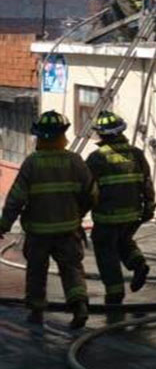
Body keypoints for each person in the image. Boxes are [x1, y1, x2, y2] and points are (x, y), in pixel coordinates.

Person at [0, 111, 97, 328]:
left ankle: (36, 311)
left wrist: (3, 225)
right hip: (68, 230)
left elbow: (16, 199)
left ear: (40, 136)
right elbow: (92, 194)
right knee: (71, 269)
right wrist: (77, 214)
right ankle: (79, 305)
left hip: (38, 232)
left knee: (36, 272)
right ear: (62, 135)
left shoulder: (32, 163)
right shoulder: (75, 161)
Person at [85, 111, 155, 307]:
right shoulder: (137, 154)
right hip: (133, 213)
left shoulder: (97, 158)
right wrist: (149, 207)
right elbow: (147, 183)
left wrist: (77, 214)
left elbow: (87, 190)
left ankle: (114, 293)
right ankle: (138, 264)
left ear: (101, 134)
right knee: (124, 241)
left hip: (107, 216)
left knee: (106, 251)